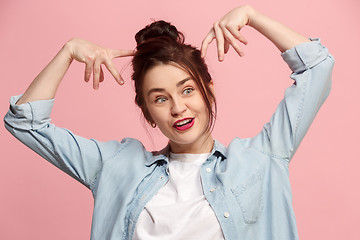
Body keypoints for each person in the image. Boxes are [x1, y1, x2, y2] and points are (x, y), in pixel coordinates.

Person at [4, 5, 334, 240]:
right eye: (160, 98)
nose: (178, 107)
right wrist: (68, 51)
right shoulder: (118, 167)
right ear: (147, 111)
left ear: (209, 90)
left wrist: (251, 15)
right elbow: (26, 123)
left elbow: (317, 67)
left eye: (187, 89)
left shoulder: (261, 159)